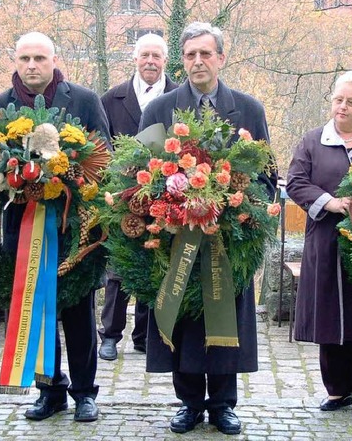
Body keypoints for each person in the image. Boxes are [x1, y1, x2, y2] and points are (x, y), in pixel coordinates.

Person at [139, 21, 275, 436]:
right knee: (182, 317)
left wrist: (237, 204)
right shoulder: (158, 110)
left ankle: (222, 405)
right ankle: (188, 403)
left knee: (224, 318)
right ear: (182, 60)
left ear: (221, 57)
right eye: (190, 55)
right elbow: (137, 175)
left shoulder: (249, 109)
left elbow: (267, 175)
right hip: (176, 238)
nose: (198, 61)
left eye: (205, 53)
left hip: (227, 240)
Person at [0, 32, 111, 423]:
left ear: (55, 59)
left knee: (78, 312)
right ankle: (49, 390)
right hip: (22, 228)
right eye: (24, 58)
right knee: (35, 309)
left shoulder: (85, 100)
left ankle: (85, 393)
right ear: (15, 61)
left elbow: (104, 155)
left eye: (40, 57)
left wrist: (68, 176)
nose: (32, 65)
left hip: (76, 229)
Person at [286, 71, 352, 418]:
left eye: (350, 101)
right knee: (330, 316)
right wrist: (329, 202)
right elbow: (297, 182)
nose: (342, 107)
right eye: (338, 100)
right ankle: (335, 391)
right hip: (327, 240)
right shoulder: (313, 141)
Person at [98, 33, 178, 361]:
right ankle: (110, 335)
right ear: (135, 59)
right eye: (145, 55)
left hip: (164, 194)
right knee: (118, 265)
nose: (150, 62)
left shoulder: (178, 96)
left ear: (165, 62)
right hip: (121, 195)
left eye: (156, 56)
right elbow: (101, 144)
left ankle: (144, 335)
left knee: (154, 261)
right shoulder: (112, 98)